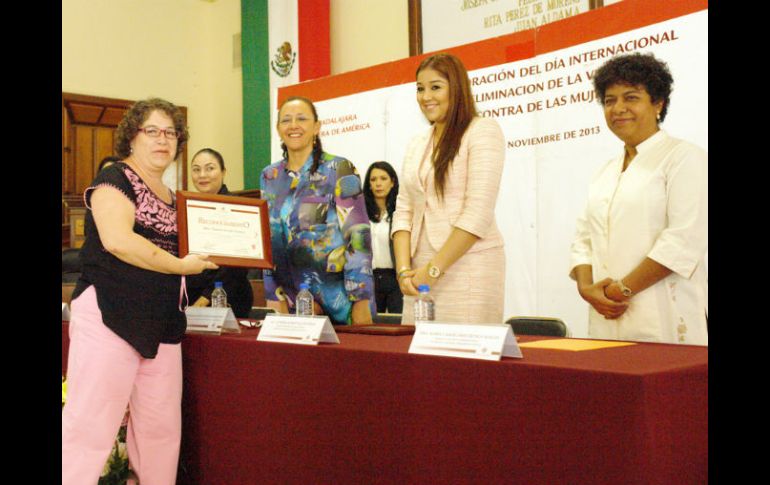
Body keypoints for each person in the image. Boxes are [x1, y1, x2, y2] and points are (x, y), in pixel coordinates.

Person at [62, 98, 218, 484]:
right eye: (152, 131)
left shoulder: (176, 197)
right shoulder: (114, 179)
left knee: (160, 433)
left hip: (162, 324)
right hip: (110, 317)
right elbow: (119, 241)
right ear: (132, 136)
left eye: (171, 133)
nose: (162, 140)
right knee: (89, 430)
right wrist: (181, 266)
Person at [569, 52, 708, 345]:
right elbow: (583, 239)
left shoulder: (684, 157)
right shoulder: (605, 171)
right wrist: (587, 289)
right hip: (605, 317)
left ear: (658, 104)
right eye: (609, 100)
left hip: (664, 318)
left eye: (631, 97)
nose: (618, 108)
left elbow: (683, 241)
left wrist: (621, 290)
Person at [392, 53, 506, 324]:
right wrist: (404, 271)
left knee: (464, 350)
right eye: (420, 89)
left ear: (456, 88)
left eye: (435, 87)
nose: (425, 97)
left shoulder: (482, 130)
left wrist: (434, 270)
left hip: (468, 266)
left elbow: (477, 213)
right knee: (417, 349)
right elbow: (404, 211)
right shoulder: (417, 142)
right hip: (418, 272)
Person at [260, 96, 375, 325]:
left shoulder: (339, 168)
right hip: (291, 304)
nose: (293, 125)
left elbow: (358, 235)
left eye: (301, 119)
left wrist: (360, 298)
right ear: (278, 129)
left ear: (316, 127)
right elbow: (268, 240)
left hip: (341, 304)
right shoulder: (269, 176)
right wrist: (273, 294)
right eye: (286, 120)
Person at [187, 147, 254, 317]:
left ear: (223, 172)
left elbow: (238, 265)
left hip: (229, 296)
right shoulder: (188, 209)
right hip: (192, 298)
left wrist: (205, 298)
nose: (202, 175)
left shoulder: (238, 207)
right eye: (196, 169)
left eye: (210, 168)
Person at [363, 161, 403, 314]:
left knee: (397, 322)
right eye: (373, 180)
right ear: (369, 185)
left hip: (395, 277)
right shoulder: (362, 214)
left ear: (392, 182)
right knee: (369, 323)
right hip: (369, 278)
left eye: (383, 178)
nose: (378, 184)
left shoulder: (400, 213)